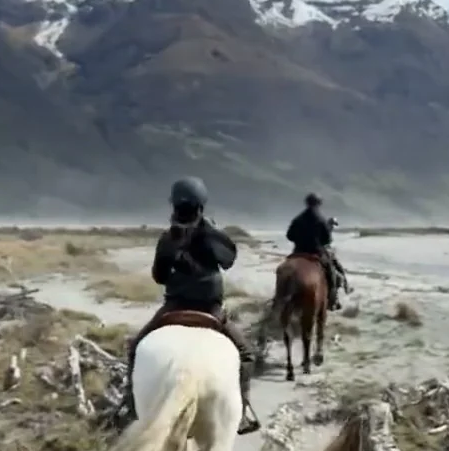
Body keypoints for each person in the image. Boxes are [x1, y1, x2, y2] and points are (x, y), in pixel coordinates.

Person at [123, 177, 259, 435]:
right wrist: (209, 233)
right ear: (202, 206)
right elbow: (229, 260)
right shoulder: (212, 235)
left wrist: (174, 248)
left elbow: (160, 277)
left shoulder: (167, 238)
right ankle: (244, 411)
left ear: (173, 206)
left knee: (136, 348)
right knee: (246, 354)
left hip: (173, 306)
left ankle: (128, 404)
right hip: (210, 309)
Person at [286, 192, 346, 310]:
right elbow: (327, 240)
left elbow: (289, 236)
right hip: (315, 253)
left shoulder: (298, 219)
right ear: (319, 204)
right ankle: (332, 301)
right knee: (332, 273)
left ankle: (277, 301)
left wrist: (300, 240)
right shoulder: (321, 219)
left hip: (297, 253)